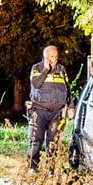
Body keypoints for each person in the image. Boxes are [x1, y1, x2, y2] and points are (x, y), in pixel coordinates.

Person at [27, 44, 70, 173]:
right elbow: (36, 84)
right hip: (39, 111)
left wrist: (71, 106)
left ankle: (51, 169)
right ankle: (32, 167)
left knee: (53, 143)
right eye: (51, 57)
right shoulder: (37, 68)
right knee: (35, 140)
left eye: (56, 57)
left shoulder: (61, 70)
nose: (55, 59)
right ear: (45, 57)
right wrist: (46, 70)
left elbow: (68, 90)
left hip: (57, 113)